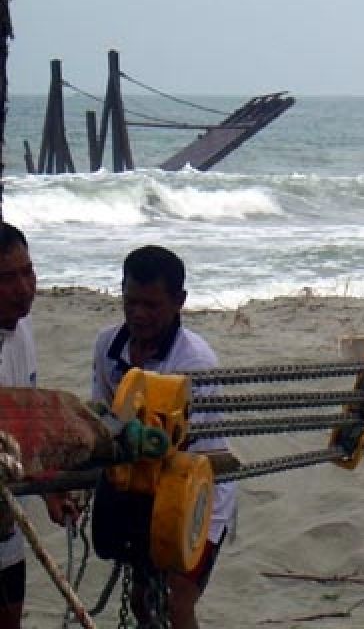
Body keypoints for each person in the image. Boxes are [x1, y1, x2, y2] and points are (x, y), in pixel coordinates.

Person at [92, 246, 235, 629]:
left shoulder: (195, 365)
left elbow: (203, 458)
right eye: (131, 301)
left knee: (175, 602)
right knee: (142, 601)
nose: (138, 314)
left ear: (179, 302)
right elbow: (104, 419)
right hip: (141, 491)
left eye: (151, 305)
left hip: (199, 493)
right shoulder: (108, 348)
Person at [0, 222, 78, 629]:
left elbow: (28, 425)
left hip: (9, 524)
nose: (24, 288)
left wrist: (50, 490)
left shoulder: (24, 329)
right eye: (8, 278)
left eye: (28, 272)